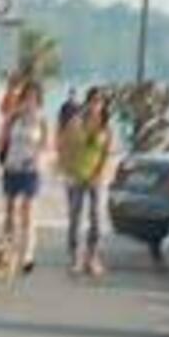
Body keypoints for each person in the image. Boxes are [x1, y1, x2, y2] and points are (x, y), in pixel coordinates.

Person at [0, 80, 49, 278]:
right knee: (10, 210)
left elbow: (45, 144)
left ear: (39, 100)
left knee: (28, 211)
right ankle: (9, 249)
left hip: (30, 169)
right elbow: (2, 138)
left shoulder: (42, 119)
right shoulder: (13, 117)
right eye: (27, 96)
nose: (30, 101)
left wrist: (36, 158)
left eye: (34, 97)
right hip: (12, 166)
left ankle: (28, 255)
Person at [62, 93, 114, 277]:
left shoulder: (106, 127)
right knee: (75, 218)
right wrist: (67, 169)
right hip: (76, 176)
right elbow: (65, 146)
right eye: (93, 101)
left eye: (99, 102)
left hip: (96, 179)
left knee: (96, 218)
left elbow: (107, 153)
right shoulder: (76, 124)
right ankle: (75, 257)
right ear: (87, 102)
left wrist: (98, 173)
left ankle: (92, 257)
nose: (96, 105)